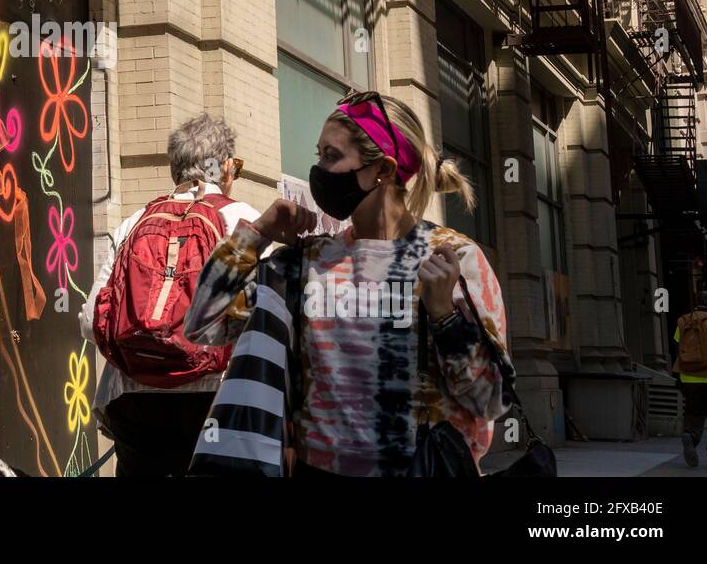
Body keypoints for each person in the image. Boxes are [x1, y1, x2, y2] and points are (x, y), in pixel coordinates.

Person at [186, 89, 514, 477]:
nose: (320, 171)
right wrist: (257, 233)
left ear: (383, 169)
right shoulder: (307, 262)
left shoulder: (452, 258)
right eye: (319, 155)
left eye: (332, 156)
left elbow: (491, 401)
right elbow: (203, 322)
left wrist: (445, 319)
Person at [80, 112, 259, 476]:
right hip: (215, 398)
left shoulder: (135, 222)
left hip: (132, 399)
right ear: (225, 167)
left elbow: (89, 320)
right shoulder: (243, 221)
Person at [673, 291, 707, 467]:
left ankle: (691, 435)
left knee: (694, 412)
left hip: (688, 376)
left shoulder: (683, 321)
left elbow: (678, 345)